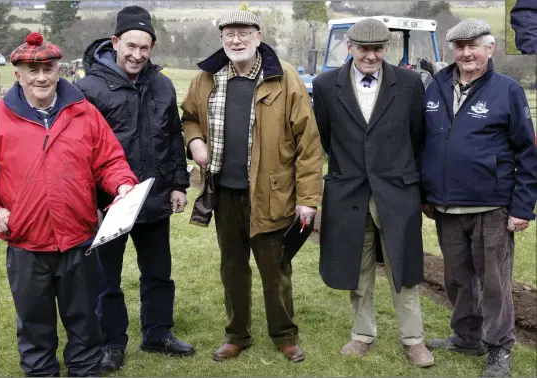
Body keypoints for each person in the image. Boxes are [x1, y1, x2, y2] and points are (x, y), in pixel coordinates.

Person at [180, 10, 322, 363]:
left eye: (244, 33)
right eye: (229, 34)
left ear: (259, 37)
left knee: (276, 270)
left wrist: (307, 199)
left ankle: (285, 335)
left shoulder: (284, 78)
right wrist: (194, 141)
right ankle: (236, 335)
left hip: (271, 194)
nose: (236, 40)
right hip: (224, 194)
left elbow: (308, 143)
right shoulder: (207, 78)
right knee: (232, 268)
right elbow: (190, 117)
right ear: (222, 39)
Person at [0, 32, 138, 377]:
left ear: (60, 69)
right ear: (18, 74)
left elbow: (109, 161)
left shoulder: (84, 113)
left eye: (48, 68)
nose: (41, 77)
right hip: (27, 242)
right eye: (32, 70)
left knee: (85, 323)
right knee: (34, 326)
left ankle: (85, 371)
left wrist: (122, 183)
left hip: (79, 241)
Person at [75, 6, 193, 372]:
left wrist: (177, 184)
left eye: (144, 47)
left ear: (152, 47)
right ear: (115, 42)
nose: (137, 55)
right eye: (130, 46)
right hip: (109, 203)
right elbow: (79, 152)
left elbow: (173, 137)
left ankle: (158, 333)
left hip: (154, 196)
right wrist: (89, 203)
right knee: (106, 279)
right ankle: (111, 342)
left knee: (159, 272)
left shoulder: (162, 84)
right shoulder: (88, 88)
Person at [312, 18, 434, 368]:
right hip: (348, 193)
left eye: (378, 49)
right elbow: (327, 136)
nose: (371, 56)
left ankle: (414, 340)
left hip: (397, 193)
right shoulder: (323, 85)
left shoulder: (410, 84)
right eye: (363, 48)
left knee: (404, 269)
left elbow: (417, 137)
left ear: (386, 49)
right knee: (358, 267)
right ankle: (362, 334)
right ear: (349, 47)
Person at [420, 19, 537, 378]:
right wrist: (426, 193)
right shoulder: (435, 85)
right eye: (460, 47)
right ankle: (466, 336)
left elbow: (528, 153)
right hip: (446, 206)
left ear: (490, 49)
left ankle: (499, 346)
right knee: (456, 278)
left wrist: (522, 208)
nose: (466, 53)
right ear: (452, 50)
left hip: (492, 207)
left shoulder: (507, 91)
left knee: (494, 283)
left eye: (474, 46)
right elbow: (425, 141)